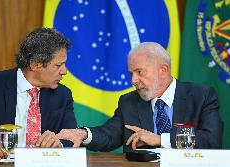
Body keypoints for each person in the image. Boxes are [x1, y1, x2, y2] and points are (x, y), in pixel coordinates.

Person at [57, 42, 223, 151]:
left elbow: (211, 140)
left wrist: (159, 139)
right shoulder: (129, 101)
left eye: (140, 72)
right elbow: (109, 135)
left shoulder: (201, 96)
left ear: (163, 70)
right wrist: (83, 134)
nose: (133, 80)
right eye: (131, 73)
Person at [0, 28, 77, 160]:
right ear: (35, 65)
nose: (64, 71)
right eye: (58, 65)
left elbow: (72, 137)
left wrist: (59, 145)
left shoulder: (62, 95)